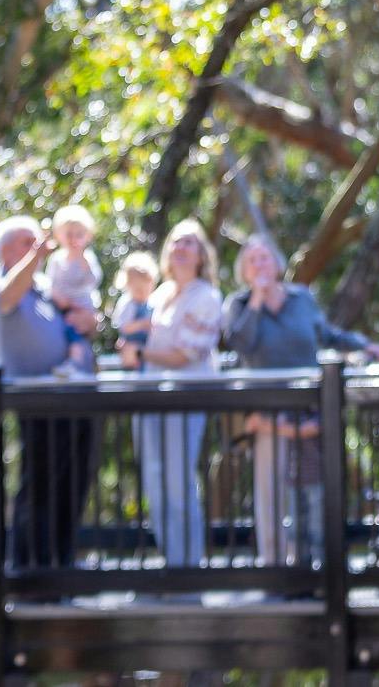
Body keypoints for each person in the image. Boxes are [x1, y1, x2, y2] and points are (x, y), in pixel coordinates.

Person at [223, 234, 379, 565]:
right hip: (268, 412)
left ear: (278, 263)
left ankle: (311, 564)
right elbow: (240, 343)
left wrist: (363, 345)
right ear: (244, 270)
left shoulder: (301, 299)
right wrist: (257, 299)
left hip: (308, 407)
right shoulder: (238, 305)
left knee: (310, 489)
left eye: (264, 258)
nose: (259, 265)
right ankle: (274, 566)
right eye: (252, 260)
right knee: (271, 492)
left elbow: (327, 335)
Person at [0, 214, 99, 570]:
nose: (36, 248)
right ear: (5, 251)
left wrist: (93, 321)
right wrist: (37, 256)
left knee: (71, 486)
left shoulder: (46, 288)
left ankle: (60, 567)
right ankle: (30, 569)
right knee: (40, 488)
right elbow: (7, 296)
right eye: (25, 242)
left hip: (76, 399)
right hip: (37, 403)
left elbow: (81, 317)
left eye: (37, 242)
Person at [116, 220, 222, 570]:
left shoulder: (206, 296)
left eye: (189, 242)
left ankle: (188, 567)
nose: (181, 247)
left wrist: (140, 353)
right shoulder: (158, 295)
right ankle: (168, 561)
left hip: (184, 401)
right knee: (154, 482)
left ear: (201, 254)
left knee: (178, 481)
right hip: (149, 399)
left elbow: (184, 355)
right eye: (176, 241)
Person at [44, 204, 104, 379]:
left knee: (75, 333)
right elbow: (50, 284)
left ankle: (76, 362)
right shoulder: (56, 259)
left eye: (78, 234)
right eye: (68, 234)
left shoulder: (88, 258)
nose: (73, 239)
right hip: (61, 306)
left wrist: (84, 262)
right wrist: (60, 299)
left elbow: (94, 280)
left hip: (82, 306)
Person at [111, 251, 160, 355]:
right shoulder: (128, 304)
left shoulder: (152, 303)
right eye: (138, 290)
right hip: (130, 345)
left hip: (147, 347)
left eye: (145, 290)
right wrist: (142, 324)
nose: (142, 294)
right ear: (128, 285)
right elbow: (124, 327)